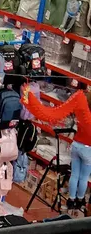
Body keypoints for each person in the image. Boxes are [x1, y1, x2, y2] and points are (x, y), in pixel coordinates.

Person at [22, 84, 91, 217]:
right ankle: (80, 200)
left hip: (76, 145)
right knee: (83, 177)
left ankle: (71, 199)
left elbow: (53, 114)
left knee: (74, 174)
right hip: (88, 149)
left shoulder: (81, 101)